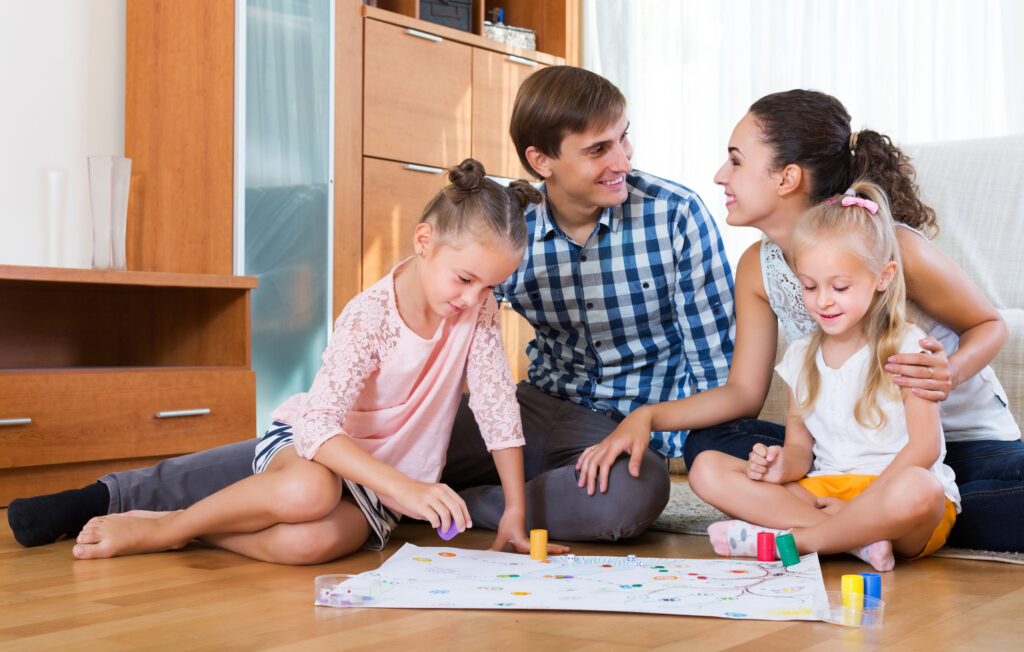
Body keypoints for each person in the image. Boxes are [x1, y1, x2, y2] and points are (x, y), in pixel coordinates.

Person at [9, 66, 734, 546]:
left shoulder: (673, 216)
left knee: (625, 505)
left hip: (618, 430)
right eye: (601, 147)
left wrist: (654, 429)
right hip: (529, 405)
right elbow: (445, 330)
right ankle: (115, 494)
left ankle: (427, 506)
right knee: (351, 440)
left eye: (625, 137)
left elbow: (712, 370)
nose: (625, 159)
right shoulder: (503, 236)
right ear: (543, 162)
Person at [578, 89, 1021, 552]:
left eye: (736, 161)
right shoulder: (756, 265)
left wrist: (948, 373)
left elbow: (989, 325)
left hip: (963, 446)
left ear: (787, 177)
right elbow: (743, 394)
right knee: (709, 444)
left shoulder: (892, 247)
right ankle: (863, 530)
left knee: (961, 495)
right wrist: (648, 417)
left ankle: (836, 524)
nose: (720, 176)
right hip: (845, 454)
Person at [68, 159, 569, 562]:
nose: (475, 298)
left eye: (491, 287)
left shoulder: (476, 311)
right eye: (465, 279)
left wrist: (515, 511)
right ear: (424, 243)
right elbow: (318, 428)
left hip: (377, 485)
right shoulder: (370, 315)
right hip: (317, 449)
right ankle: (169, 530)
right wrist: (410, 489)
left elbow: (497, 405)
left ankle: (186, 529)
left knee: (309, 544)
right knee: (310, 494)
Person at [690, 181, 959, 571]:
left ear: (882, 277)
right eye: (810, 286)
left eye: (840, 287)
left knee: (922, 489)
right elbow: (801, 452)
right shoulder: (801, 356)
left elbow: (925, 450)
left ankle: (803, 540)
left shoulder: (909, 346)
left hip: (891, 496)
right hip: (827, 489)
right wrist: (780, 464)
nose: (823, 301)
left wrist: (862, 507)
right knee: (707, 469)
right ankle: (856, 542)